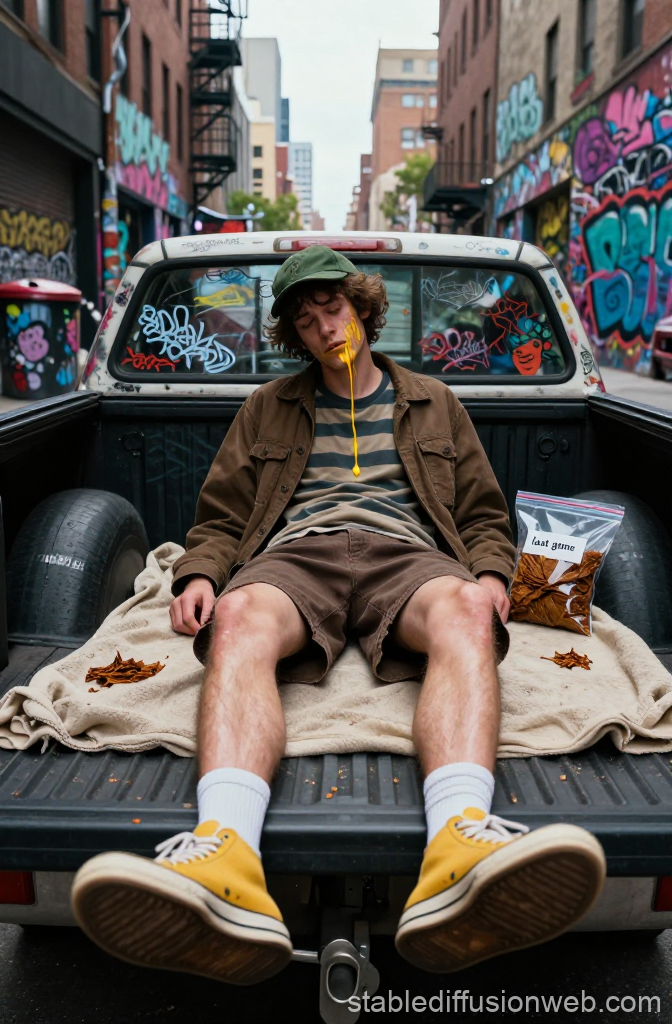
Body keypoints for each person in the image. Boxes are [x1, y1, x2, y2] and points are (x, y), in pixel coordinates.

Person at [72, 246, 605, 982]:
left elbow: (482, 514)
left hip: (407, 555)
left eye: (334, 309)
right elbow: (223, 518)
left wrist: (488, 575)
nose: (325, 328)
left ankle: (459, 848)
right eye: (306, 319)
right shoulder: (268, 407)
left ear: (361, 309)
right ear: (295, 336)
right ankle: (226, 858)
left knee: (464, 614)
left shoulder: (433, 400)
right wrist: (199, 575)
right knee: (237, 621)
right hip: (298, 555)